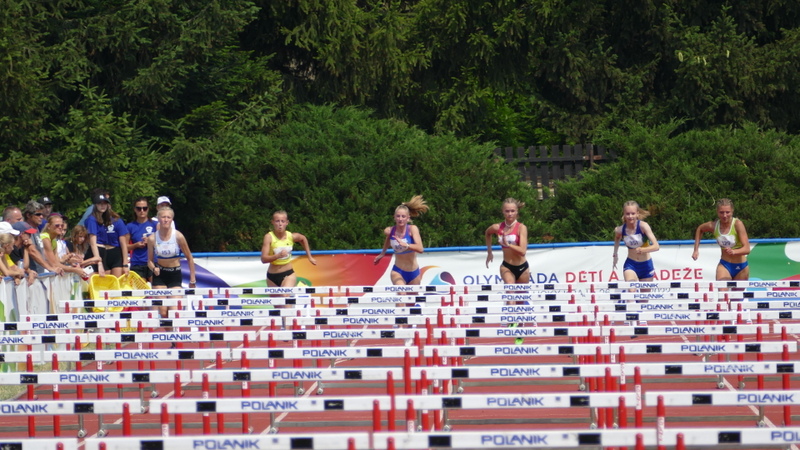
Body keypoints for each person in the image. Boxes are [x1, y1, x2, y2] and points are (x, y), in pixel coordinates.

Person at [147, 207, 196, 319]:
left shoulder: (178, 236)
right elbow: (149, 261)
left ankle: (173, 329)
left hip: (175, 274)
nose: (166, 220)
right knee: (163, 312)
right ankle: (168, 330)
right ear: (158, 219)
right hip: (160, 275)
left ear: (172, 220)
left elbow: (189, 258)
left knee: (174, 311)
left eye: (168, 217)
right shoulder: (152, 238)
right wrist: (153, 268)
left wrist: (192, 279)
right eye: (163, 217)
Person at [692, 198, 751, 282]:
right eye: (721, 212)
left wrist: (734, 251)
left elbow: (747, 249)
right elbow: (700, 229)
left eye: (727, 212)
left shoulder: (737, 224)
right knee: (722, 288)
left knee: (737, 291)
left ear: (732, 211)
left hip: (741, 266)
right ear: (717, 212)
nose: (724, 215)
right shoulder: (714, 225)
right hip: (725, 264)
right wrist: (696, 250)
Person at [374, 196, 428, 285]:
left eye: (403, 216)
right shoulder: (390, 231)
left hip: (414, 272)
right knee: (401, 291)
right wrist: (383, 253)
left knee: (413, 294)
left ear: (408, 218)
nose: (400, 219)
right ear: (394, 217)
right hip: (398, 271)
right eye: (398, 216)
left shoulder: (412, 229)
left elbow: (420, 249)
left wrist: (407, 245)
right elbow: (388, 239)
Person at [260, 210, 317, 287]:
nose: (280, 224)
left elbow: (303, 239)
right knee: (276, 296)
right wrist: (277, 256)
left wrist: (309, 257)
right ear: (272, 222)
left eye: (282, 221)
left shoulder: (291, 236)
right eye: (277, 221)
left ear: (287, 222)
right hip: (272, 276)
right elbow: (263, 259)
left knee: (285, 293)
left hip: (288, 274)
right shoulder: (269, 237)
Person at [612, 201, 660, 283]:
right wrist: (615, 254)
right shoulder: (620, 230)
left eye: (633, 213)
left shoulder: (643, 226)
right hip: (631, 264)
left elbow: (656, 246)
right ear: (624, 214)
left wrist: (643, 250)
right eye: (627, 214)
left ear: (637, 213)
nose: (630, 216)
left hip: (646, 265)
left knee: (645, 291)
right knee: (631, 288)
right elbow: (617, 239)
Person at [485, 198, 530, 284]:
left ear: (517, 211)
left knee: (522, 292)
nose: (510, 214)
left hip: (522, 267)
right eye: (507, 211)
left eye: (512, 211)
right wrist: (489, 252)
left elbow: (523, 251)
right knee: (510, 288)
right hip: (507, 266)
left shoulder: (521, 228)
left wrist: (508, 245)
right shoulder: (497, 227)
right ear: (503, 211)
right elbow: (487, 233)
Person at [85, 193, 130, 277]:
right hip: (100, 251)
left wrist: (125, 264)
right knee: (102, 280)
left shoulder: (115, 220)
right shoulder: (92, 219)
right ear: (95, 205)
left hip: (114, 252)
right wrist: (99, 262)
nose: (103, 206)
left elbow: (123, 243)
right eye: (100, 203)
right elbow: (93, 242)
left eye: (105, 203)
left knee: (116, 281)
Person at [22, 200, 61, 275]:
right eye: (38, 214)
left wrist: (53, 266)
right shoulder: (26, 229)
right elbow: (32, 251)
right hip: (31, 274)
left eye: (42, 214)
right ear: (28, 215)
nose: (41, 217)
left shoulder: (36, 229)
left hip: (39, 272)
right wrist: (49, 268)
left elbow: (42, 251)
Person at [127, 197, 155, 281]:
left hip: (154, 262)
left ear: (148, 209)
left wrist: (150, 241)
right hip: (137, 263)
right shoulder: (130, 226)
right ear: (135, 210)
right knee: (140, 289)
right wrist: (136, 245)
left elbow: (164, 243)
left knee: (158, 288)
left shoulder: (156, 224)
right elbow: (125, 247)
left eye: (144, 208)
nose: (142, 211)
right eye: (139, 208)